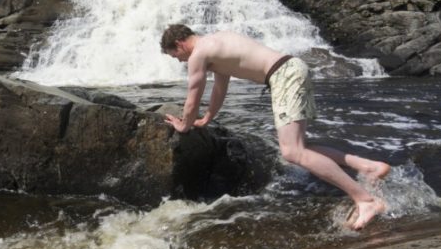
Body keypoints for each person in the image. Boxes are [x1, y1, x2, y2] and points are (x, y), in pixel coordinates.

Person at [159, 24, 390, 230]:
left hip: (283, 76)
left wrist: (185, 125)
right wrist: (207, 118)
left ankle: (366, 200)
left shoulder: (199, 53)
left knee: (292, 152)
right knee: (301, 147)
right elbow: (220, 89)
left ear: (179, 44)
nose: (179, 61)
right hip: (293, 68)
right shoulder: (217, 41)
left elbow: (193, 94)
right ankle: (368, 167)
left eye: (175, 56)